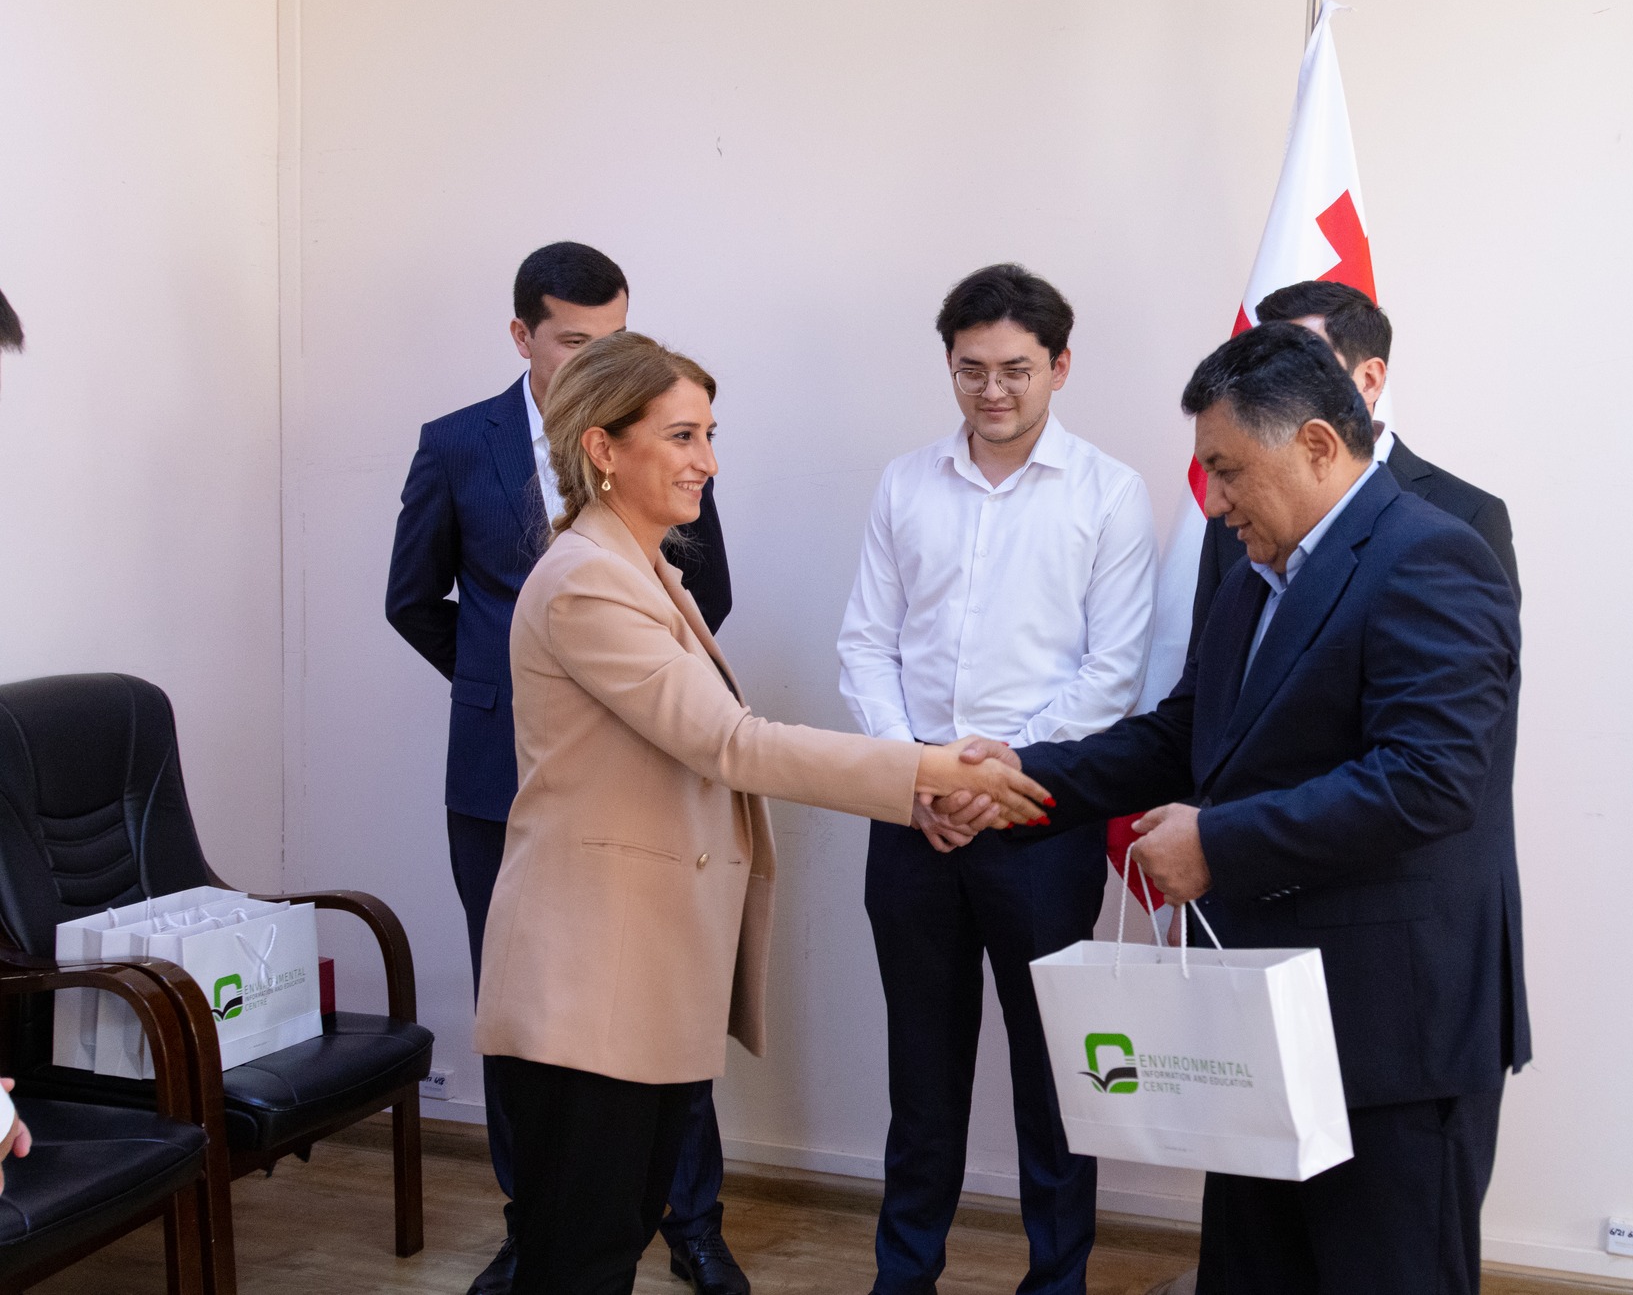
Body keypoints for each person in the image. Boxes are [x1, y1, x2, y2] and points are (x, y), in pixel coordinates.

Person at [473, 330, 1052, 1295]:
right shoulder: (586, 581)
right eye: (683, 436)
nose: (708, 461)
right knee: (579, 1257)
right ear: (603, 448)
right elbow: (730, 743)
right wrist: (923, 768)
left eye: (710, 435)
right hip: (588, 975)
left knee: (610, 1240)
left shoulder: (644, 568)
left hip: (640, 969)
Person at [964, 322, 1527, 1294]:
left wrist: (1217, 843)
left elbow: (1429, 779)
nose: (1213, 501)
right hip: (1263, 1025)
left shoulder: (1433, 556)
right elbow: (1178, 737)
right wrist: (1015, 778)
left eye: (1226, 471)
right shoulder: (1252, 578)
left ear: (1316, 444)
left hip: (1394, 1035)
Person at [385, 243, 736, 1295]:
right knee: (525, 1022)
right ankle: (532, 1224)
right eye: (575, 341)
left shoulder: (659, 431)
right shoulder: (457, 444)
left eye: (614, 337)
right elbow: (412, 600)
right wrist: (519, 688)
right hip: (496, 780)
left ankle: (693, 1222)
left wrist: (625, 691)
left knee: (659, 999)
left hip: (641, 771)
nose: (598, 358)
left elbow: (705, 590)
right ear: (521, 336)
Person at [837, 263, 1156, 1295]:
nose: (993, 390)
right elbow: (865, 645)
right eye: (971, 368)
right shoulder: (905, 484)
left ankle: (1055, 1282)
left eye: (1016, 368)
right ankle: (903, 1279)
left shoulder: (1109, 494)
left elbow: (1113, 672)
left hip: (1044, 823)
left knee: (1057, 1080)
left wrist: (998, 776)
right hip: (912, 819)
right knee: (921, 1082)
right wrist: (918, 775)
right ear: (949, 365)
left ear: (1059, 366)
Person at [1190, 280, 1517, 646]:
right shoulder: (1236, 513)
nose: (1269, 391)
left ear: (1370, 380)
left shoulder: (1465, 519)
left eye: (1301, 368)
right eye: (1261, 373)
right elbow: (1207, 671)